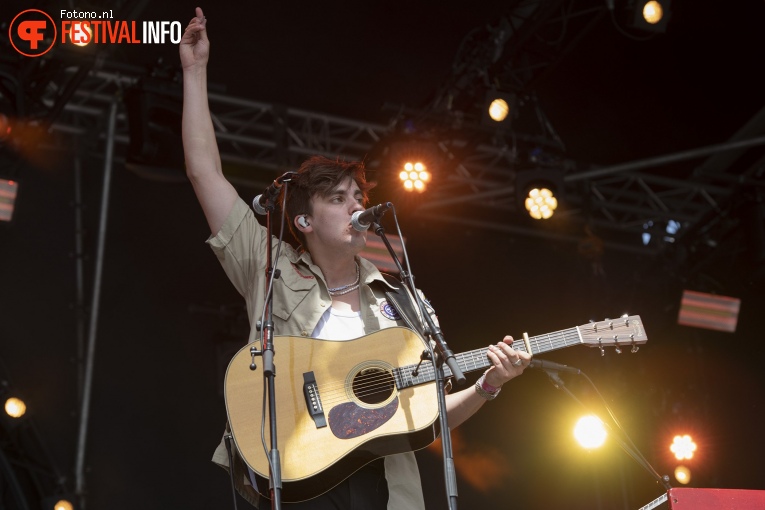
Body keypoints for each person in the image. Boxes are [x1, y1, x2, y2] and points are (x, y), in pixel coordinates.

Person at [180, 7, 532, 509]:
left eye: (359, 199)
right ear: (304, 221)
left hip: (388, 491)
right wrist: (195, 72)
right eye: (339, 199)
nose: (357, 207)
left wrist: (490, 383)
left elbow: (429, 416)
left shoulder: (401, 299)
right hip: (296, 476)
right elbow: (204, 173)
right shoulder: (270, 266)